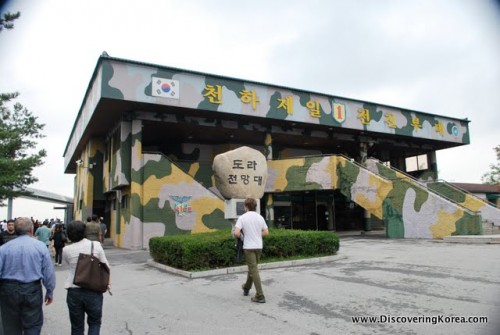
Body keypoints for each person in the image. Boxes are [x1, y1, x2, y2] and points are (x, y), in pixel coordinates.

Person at [0, 217, 56, 334]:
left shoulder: (3, 249)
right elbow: (48, 272)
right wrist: (49, 291)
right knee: (33, 325)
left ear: (15, 230)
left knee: (10, 326)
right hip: (32, 290)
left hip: (8, 290)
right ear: (31, 230)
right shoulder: (40, 246)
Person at [63, 220, 111, 335]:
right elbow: (106, 266)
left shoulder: (66, 250)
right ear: (84, 231)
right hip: (93, 290)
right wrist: (108, 283)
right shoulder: (95, 245)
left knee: (76, 327)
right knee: (94, 323)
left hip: (74, 290)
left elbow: (69, 265)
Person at [233, 198, 269, 303]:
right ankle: (246, 288)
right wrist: (257, 235)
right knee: (252, 269)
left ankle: (260, 295)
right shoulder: (260, 217)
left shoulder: (242, 218)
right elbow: (266, 232)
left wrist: (242, 237)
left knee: (254, 269)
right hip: (259, 246)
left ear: (246, 206)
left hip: (248, 247)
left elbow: (236, 233)